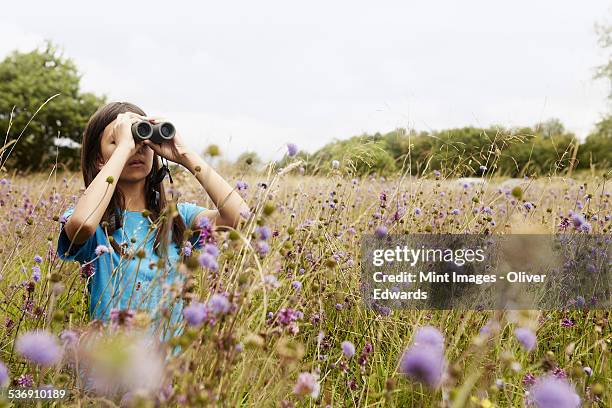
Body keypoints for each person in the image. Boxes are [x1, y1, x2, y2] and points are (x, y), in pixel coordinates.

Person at [57, 101, 248, 333]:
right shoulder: (95, 222)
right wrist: (124, 148)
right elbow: (81, 225)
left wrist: (184, 155)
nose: (136, 148)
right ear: (99, 159)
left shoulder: (177, 217)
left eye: (142, 140)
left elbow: (240, 218)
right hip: (112, 363)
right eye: (118, 141)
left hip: (169, 366)